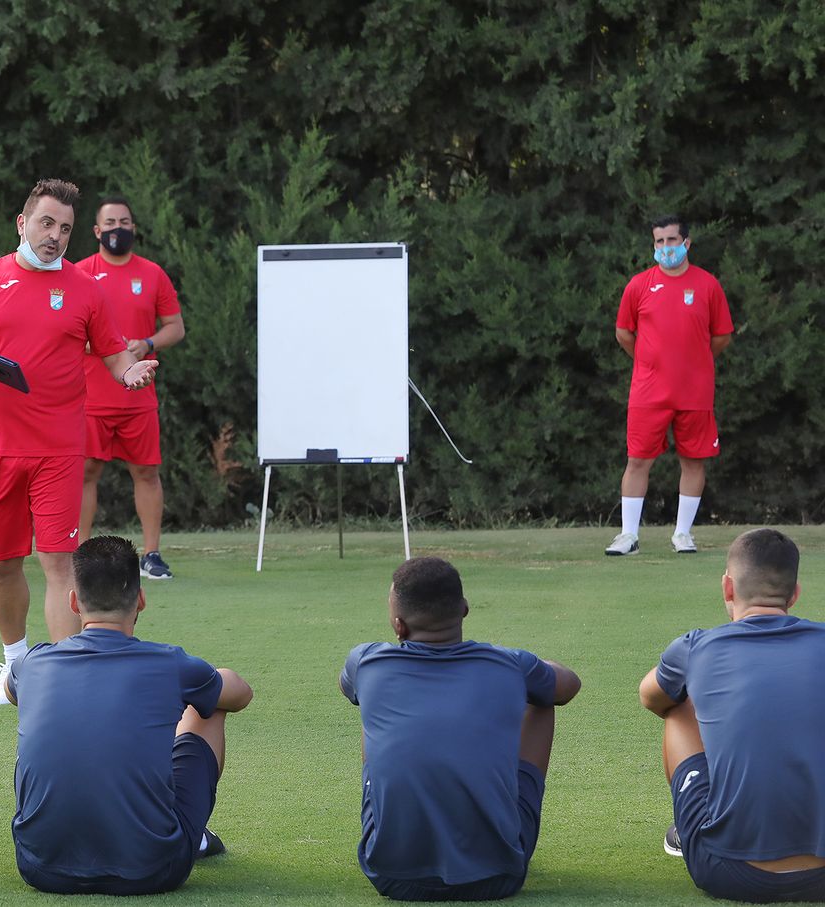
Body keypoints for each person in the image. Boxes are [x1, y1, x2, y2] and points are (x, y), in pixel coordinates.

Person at [0, 178, 157, 704]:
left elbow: (115, 356)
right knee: (4, 562)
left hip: (59, 448)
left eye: (65, 228)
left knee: (60, 562)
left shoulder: (85, 288)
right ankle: (14, 667)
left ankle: (62, 678)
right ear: (22, 223)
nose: (55, 235)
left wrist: (131, 373)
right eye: (46, 223)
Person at [4, 535, 251, 895]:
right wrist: (215, 676)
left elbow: (14, 693)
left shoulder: (32, 662)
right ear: (141, 600)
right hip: (152, 869)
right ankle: (191, 837)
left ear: (74, 602)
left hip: (41, 868)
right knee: (208, 708)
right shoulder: (171, 664)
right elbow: (240, 694)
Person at [340, 556, 582, 900]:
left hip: (391, 875)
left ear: (398, 625)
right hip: (496, 877)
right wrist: (537, 669)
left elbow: (346, 686)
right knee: (542, 698)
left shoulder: (366, 661)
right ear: (465, 609)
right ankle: (497, 830)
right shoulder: (510, 664)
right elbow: (568, 685)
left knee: (373, 704)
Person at [640, 528, 825, 902]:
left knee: (677, 706)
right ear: (794, 594)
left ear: (728, 588)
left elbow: (651, 697)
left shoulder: (696, 647)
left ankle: (693, 825)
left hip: (732, 873)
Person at [608, 214, 734, 557]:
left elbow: (722, 335)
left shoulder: (708, 285)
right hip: (649, 392)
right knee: (637, 460)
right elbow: (623, 332)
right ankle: (628, 536)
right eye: (659, 241)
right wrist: (649, 362)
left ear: (687, 243)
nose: (666, 248)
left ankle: (682, 535)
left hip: (695, 391)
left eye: (672, 241)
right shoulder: (639, 285)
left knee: (693, 461)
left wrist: (695, 360)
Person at [75, 196, 184, 579]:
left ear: (133, 228)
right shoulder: (79, 274)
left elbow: (175, 326)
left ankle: (151, 555)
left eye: (124, 221)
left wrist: (147, 344)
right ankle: (80, 555)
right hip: (91, 396)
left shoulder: (152, 273)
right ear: (96, 230)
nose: (116, 228)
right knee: (85, 473)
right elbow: (64, 331)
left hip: (139, 397)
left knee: (146, 472)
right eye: (109, 222)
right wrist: (105, 348)